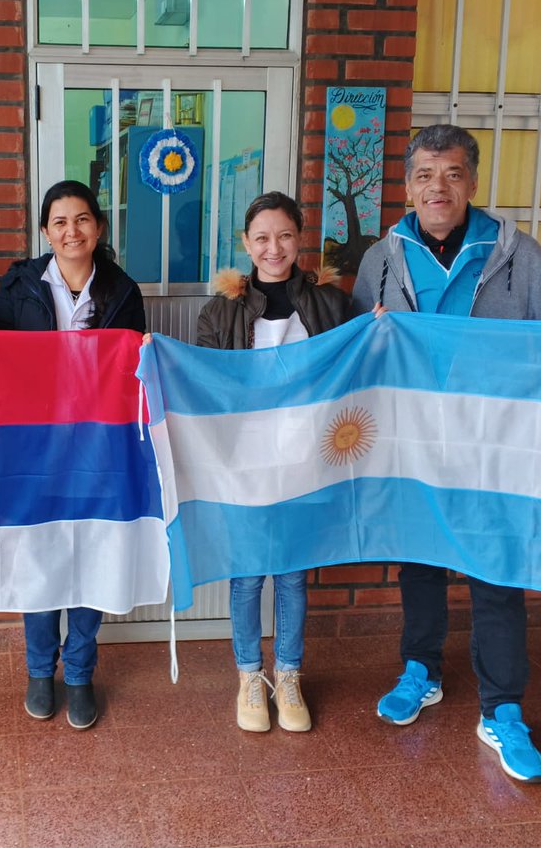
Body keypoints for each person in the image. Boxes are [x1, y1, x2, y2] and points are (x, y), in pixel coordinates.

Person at [350, 123, 541, 783]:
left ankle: (503, 709)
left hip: (494, 447)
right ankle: (420, 669)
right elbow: (359, 347)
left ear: (472, 182)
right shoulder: (383, 260)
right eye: (424, 175)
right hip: (415, 443)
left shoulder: (515, 253)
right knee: (418, 563)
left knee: (497, 575)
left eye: (451, 174)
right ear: (408, 185)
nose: (437, 187)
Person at [0, 179, 146, 730]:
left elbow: (133, 377)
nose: (71, 230)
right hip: (35, 446)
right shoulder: (19, 286)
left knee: (91, 553)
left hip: (99, 445)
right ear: (45, 231)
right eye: (59, 221)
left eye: (82, 219)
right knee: (42, 555)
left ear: (98, 228)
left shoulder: (124, 292)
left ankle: (79, 670)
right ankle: (40, 670)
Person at [195, 191, 351, 732]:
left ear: (299, 239)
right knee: (246, 575)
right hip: (245, 463)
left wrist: (377, 328)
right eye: (261, 237)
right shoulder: (220, 312)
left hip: (307, 461)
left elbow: (358, 365)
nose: (273, 247)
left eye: (284, 235)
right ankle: (248, 676)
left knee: (291, 574)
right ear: (245, 244)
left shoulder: (329, 304)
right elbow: (207, 388)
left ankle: (289, 675)